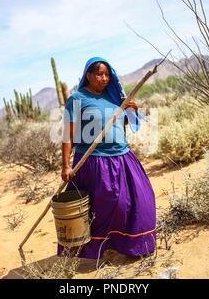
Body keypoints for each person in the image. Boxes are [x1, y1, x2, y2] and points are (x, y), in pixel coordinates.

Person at [59, 56, 156, 260]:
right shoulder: (77, 99)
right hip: (93, 161)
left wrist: (132, 111)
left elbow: (120, 125)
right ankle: (96, 250)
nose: (104, 78)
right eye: (99, 74)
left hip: (122, 157)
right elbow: (67, 135)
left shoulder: (114, 98)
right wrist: (66, 165)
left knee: (140, 201)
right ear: (88, 75)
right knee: (104, 208)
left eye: (107, 75)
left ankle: (132, 244)